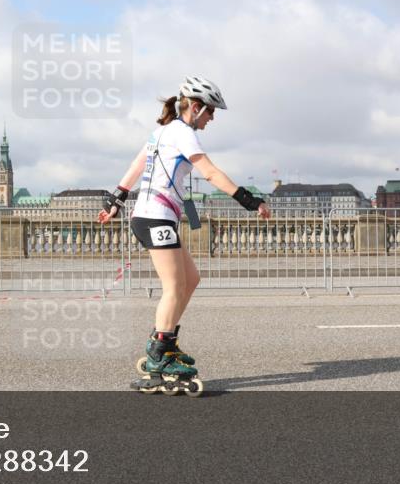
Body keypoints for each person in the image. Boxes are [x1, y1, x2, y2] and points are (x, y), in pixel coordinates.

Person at [98, 75, 272, 396]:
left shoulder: (162, 132)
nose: (212, 118)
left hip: (154, 217)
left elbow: (138, 164)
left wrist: (116, 199)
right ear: (195, 107)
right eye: (210, 111)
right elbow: (210, 172)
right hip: (155, 218)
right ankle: (159, 355)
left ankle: (166, 343)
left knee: (191, 280)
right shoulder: (182, 133)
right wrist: (250, 200)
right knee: (174, 286)